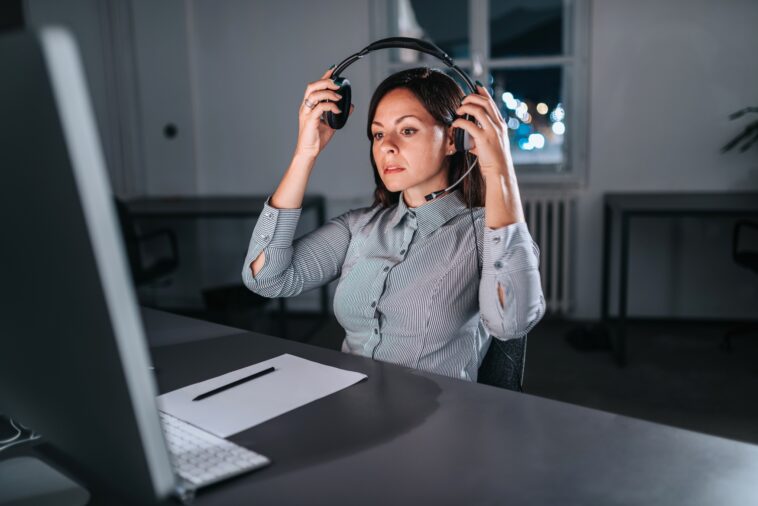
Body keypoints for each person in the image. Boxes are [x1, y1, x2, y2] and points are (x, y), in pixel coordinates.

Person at [242, 66, 545, 382]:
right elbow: (265, 278)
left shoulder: (485, 234)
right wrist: (306, 152)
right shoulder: (358, 227)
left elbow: (511, 324)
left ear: (455, 139)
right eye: (378, 133)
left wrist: (499, 166)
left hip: (438, 420)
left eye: (408, 130)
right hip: (349, 409)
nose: (386, 146)